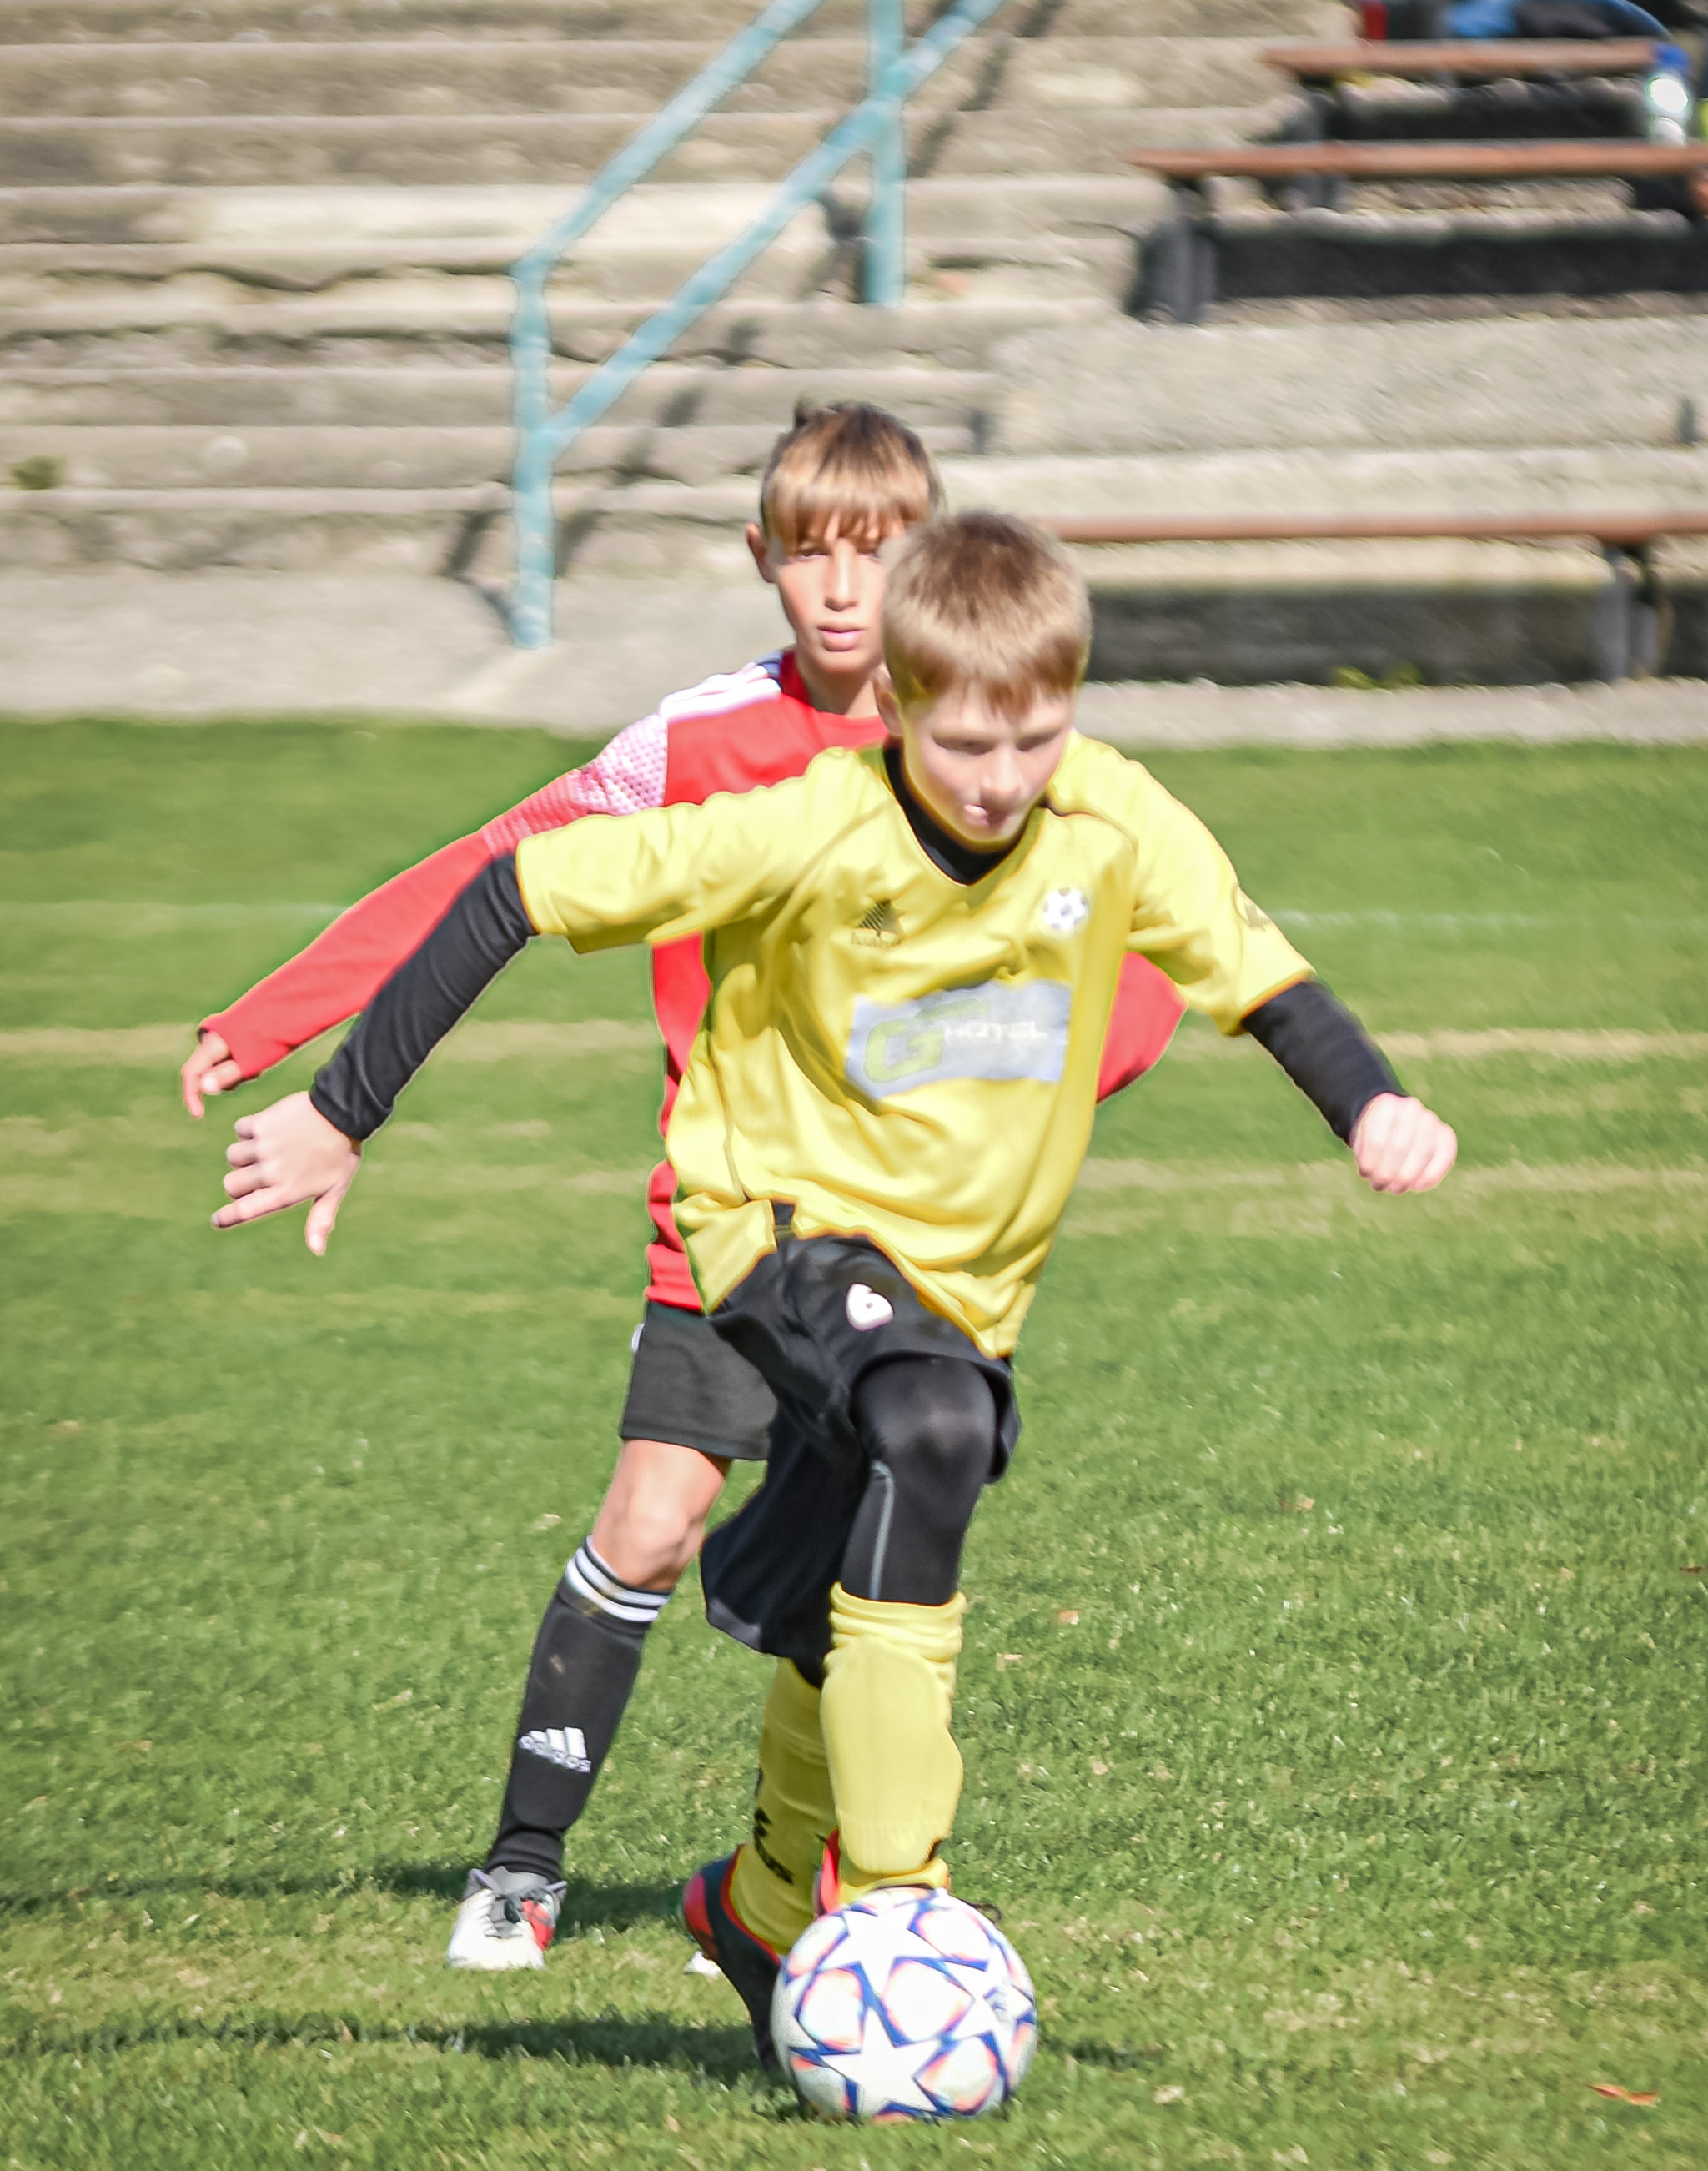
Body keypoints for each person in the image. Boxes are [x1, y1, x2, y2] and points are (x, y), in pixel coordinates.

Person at [203, 510, 1456, 2066]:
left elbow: (1260, 977)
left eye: (1036, 739)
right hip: (773, 1225)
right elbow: (518, 890)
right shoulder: (804, 825)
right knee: (933, 1432)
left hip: (961, 1284)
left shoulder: (1113, 817)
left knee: (847, 1582)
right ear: (905, 707)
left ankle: (762, 1903)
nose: (1002, 780)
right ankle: (900, 1901)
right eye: (967, 744)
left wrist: (1371, 1103)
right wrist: (343, 1109)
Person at [182, 416, 1186, 1973]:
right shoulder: (696, 743)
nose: (843, 590)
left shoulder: (997, 747)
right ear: (760, 559)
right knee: (653, 1526)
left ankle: (814, 1900)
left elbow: (1144, 975)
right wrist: (286, 1027)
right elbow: (494, 870)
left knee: (869, 1572)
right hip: (737, 1231)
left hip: (923, 1250)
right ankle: (523, 1866)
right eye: (811, 553)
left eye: (878, 554)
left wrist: (1016, 1081)